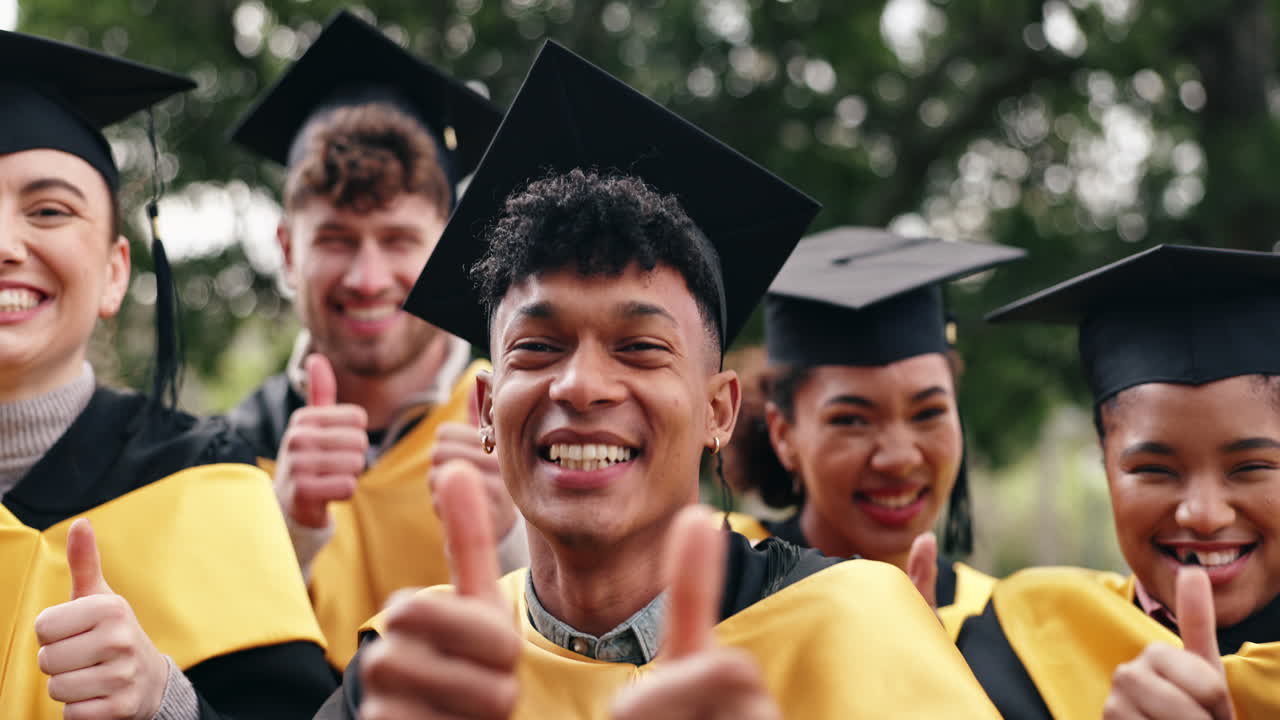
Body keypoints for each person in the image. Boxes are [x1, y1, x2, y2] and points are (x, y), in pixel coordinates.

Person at [314, 40, 1002, 720]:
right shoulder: (411, 676)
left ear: (720, 411)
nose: (581, 386)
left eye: (639, 347)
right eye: (539, 346)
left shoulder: (860, 632)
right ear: (488, 409)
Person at [0, 28, 334, 719]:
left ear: (115, 273)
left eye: (49, 210)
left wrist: (162, 701)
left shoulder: (203, 483)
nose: (5, 245)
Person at [226, 10, 526, 670]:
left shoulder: (525, 422)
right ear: (286, 249)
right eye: (335, 240)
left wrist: (514, 531)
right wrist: (286, 530)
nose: (367, 279)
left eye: (398, 241)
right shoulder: (228, 454)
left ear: (451, 247)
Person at [959, 244, 1280, 719]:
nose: (1204, 515)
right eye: (1154, 470)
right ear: (1104, 459)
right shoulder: (1013, 650)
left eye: (1251, 467)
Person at [720, 227, 1022, 634]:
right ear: (783, 434)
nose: (899, 458)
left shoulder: (1007, 629)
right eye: (852, 420)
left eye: (928, 412)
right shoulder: (721, 594)